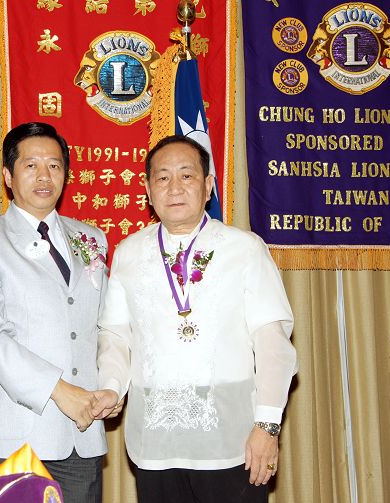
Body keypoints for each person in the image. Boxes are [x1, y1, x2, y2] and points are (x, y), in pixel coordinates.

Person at [93, 135, 298, 503]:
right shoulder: (128, 252)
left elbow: (273, 344)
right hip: (155, 442)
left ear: (208, 186)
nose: (174, 187)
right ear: (148, 190)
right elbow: (115, 336)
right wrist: (111, 386)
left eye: (187, 175)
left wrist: (267, 426)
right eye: (163, 177)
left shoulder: (244, 248)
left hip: (233, 441)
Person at [0, 122, 110, 503]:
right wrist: (60, 391)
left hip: (82, 437)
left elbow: (106, 327)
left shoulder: (91, 238)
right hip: (13, 437)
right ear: (8, 176)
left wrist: (112, 387)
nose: (44, 176)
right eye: (31, 165)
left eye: (54, 166)